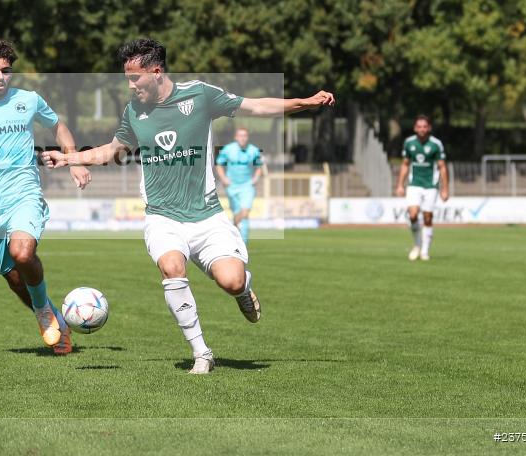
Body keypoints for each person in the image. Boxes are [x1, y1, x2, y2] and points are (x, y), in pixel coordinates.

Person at [42, 38, 334, 374]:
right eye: (127, 78)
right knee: (170, 267)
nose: (131, 85)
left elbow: (256, 106)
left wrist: (305, 102)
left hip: (207, 215)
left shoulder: (200, 95)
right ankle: (202, 353)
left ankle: (244, 288)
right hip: (162, 217)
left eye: (135, 77)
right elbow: (112, 151)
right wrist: (69, 158)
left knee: (232, 281)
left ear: (156, 71)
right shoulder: (134, 111)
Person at [0, 40, 91, 354]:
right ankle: (56, 319)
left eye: (6, 71)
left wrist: (74, 159)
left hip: (25, 192)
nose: (1, 76)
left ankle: (43, 312)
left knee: (23, 253)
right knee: (13, 277)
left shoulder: (29, 100)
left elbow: (59, 127)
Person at [395, 115, 449, 261]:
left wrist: (445, 189)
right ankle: (417, 244)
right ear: (415, 128)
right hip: (414, 184)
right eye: (419, 126)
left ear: (429, 128)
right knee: (412, 215)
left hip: (431, 185)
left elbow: (442, 167)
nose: (422, 129)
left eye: (425, 126)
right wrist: (400, 184)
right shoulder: (409, 143)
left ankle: (425, 250)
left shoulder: (436, 144)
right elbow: (405, 164)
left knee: (427, 217)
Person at [216, 128, 263, 244]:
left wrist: (256, 179)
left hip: (247, 186)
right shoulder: (228, 149)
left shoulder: (254, 150)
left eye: (245, 136)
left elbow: (259, 167)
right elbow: (219, 165)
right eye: (240, 136)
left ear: (247, 137)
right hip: (232, 186)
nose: (242, 138)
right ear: (236, 137)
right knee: (237, 213)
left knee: (245, 212)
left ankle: (244, 243)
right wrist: (224, 178)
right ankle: (235, 238)